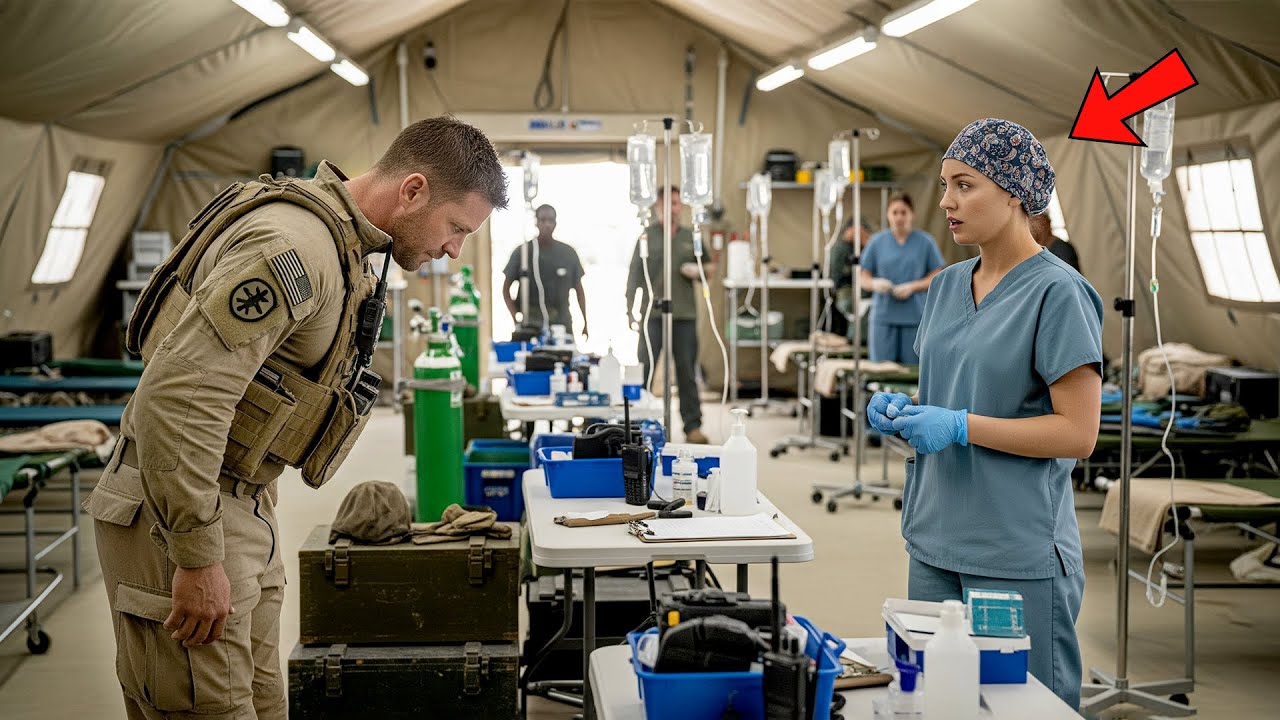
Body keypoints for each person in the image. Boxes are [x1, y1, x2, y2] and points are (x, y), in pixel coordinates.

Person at [83, 116, 507, 720]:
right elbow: (177, 399)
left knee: (259, 703)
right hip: (178, 512)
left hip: (241, 501)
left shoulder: (345, 248)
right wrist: (198, 556)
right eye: (456, 227)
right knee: (208, 707)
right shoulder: (295, 249)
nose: (453, 248)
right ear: (413, 190)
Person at [867, 118, 1102, 710]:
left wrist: (960, 426)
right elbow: (955, 389)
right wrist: (907, 411)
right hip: (935, 535)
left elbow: (1077, 433)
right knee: (938, 702)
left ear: (1015, 193)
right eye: (945, 184)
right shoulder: (946, 286)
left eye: (965, 185)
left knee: (1024, 706)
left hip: (1014, 545)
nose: (946, 201)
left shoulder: (1059, 293)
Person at [626, 186, 710, 444]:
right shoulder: (646, 237)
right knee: (646, 369)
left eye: (675, 204)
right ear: (656, 207)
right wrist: (630, 309)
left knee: (686, 372)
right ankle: (638, 423)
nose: (671, 209)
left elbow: (709, 267)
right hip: (652, 315)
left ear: (680, 207)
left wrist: (699, 271)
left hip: (684, 316)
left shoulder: (690, 236)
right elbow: (634, 277)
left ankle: (692, 426)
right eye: (666, 205)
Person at [859, 193, 944, 364]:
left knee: (912, 372)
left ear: (912, 214)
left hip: (914, 317)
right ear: (887, 215)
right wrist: (874, 284)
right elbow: (863, 276)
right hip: (883, 317)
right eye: (894, 212)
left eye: (903, 212)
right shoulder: (876, 242)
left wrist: (913, 286)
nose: (899, 217)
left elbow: (937, 275)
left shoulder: (925, 242)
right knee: (881, 373)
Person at [502, 204, 588, 336]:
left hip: (562, 327)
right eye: (542, 220)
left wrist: (585, 323)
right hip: (530, 327)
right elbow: (506, 290)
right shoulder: (523, 253)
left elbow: (579, 291)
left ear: (556, 223)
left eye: (551, 220)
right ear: (536, 222)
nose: (547, 224)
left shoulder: (568, 253)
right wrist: (516, 319)